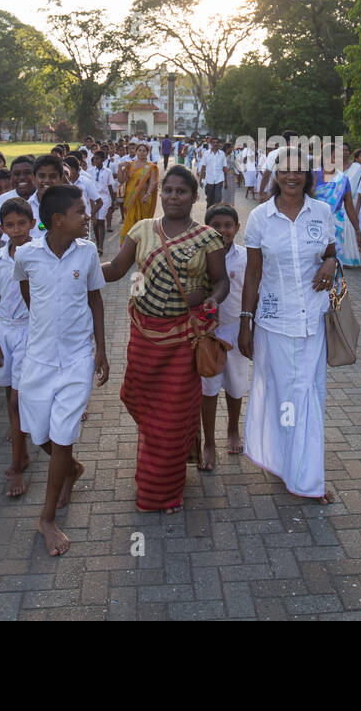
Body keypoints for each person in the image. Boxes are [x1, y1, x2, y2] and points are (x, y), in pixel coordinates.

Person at [101, 165, 228, 512]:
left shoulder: (207, 237)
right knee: (139, 401)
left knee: (171, 416)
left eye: (181, 191)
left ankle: (163, 489)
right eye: (168, 191)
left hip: (184, 339)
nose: (173, 197)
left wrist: (209, 302)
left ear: (194, 196)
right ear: (161, 195)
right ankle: (164, 460)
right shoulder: (142, 230)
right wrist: (74, 267)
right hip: (144, 336)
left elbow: (222, 282)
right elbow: (115, 270)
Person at [12, 185, 110, 554]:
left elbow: (95, 298)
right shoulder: (27, 254)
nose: (86, 216)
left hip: (76, 359)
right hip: (37, 359)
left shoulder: (87, 253)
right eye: (80, 211)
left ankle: (47, 518)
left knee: (64, 434)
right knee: (39, 435)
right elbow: (26, 289)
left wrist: (101, 348)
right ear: (57, 220)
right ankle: (70, 468)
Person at [239, 145, 337, 504]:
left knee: (307, 395)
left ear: (308, 175)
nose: (292, 176)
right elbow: (253, 272)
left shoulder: (322, 212)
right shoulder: (260, 218)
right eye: (285, 170)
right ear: (275, 174)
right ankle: (284, 463)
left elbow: (329, 252)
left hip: (312, 320)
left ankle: (307, 479)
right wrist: (245, 322)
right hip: (273, 322)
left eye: (299, 170)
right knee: (284, 395)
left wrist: (331, 263)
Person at [0, 197, 34, 497]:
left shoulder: (39, 255)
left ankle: (16, 466)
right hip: (4, 331)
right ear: (2, 228)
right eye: (10, 225)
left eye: (22, 224)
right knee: (7, 392)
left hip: (30, 330)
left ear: (31, 224)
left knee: (17, 401)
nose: (16, 230)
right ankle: (22, 449)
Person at [198, 204, 249, 471]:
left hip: (236, 329)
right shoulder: (200, 255)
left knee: (236, 386)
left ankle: (232, 428)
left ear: (237, 228)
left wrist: (248, 327)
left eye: (228, 225)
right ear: (206, 229)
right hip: (208, 333)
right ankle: (208, 442)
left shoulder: (246, 257)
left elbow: (254, 292)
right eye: (215, 225)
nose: (222, 230)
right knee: (208, 387)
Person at [316, 143, 361, 270]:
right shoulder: (313, 175)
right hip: (313, 224)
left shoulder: (343, 180)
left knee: (334, 263)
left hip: (334, 227)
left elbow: (349, 207)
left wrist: (358, 231)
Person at [118, 142, 160, 242]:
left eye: (144, 151)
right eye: (139, 150)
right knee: (130, 222)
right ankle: (128, 244)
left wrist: (148, 194)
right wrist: (120, 168)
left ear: (147, 152)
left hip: (143, 199)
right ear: (136, 152)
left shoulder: (151, 167)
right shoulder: (130, 165)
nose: (141, 152)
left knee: (142, 222)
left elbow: (153, 182)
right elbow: (121, 180)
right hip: (130, 198)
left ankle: (142, 243)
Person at [89, 149, 116, 248]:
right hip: (93, 199)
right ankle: (97, 241)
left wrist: (113, 202)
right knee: (95, 222)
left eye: (98, 159)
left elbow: (110, 187)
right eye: (94, 159)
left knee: (101, 221)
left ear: (103, 159)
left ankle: (100, 245)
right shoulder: (90, 171)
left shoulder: (108, 171)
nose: (96, 161)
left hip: (104, 198)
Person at [200, 138, 227, 206]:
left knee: (218, 198)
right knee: (210, 199)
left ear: (219, 144)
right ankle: (209, 213)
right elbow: (203, 167)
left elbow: (224, 168)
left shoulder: (222, 154)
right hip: (209, 179)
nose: (215, 144)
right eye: (214, 142)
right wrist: (201, 180)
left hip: (219, 179)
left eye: (217, 142)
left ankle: (216, 213)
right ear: (211, 144)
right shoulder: (206, 154)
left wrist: (226, 181)